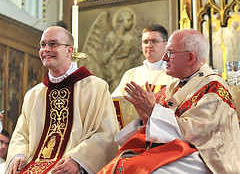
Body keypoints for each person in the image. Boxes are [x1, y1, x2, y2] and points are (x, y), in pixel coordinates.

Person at [99, 29, 240, 173]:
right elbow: (162, 126)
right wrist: (146, 116)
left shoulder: (213, 87)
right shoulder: (174, 86)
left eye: (170, 53)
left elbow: (195, 134)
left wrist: (153, 110)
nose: (164, 58)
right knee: (122, 162)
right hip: (179, 148)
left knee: (146, 170)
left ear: (190, 58)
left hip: (207, 156)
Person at [6, 26, 119, 174]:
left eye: (53, 44)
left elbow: (107, 133)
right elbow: (21, 134)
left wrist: (78, 160)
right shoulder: (34, 94)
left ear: (69, 50)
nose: (46, 49)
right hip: (32, 166)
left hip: (69, 168)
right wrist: (18, 155)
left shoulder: (95, 87)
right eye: (43, 45)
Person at [112, 24, 174, 97]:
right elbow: (115, 101)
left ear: (165, 45)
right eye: (145, 42)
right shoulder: (131, 75)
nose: (149, 45)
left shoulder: (174, 75)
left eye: (154, 41)